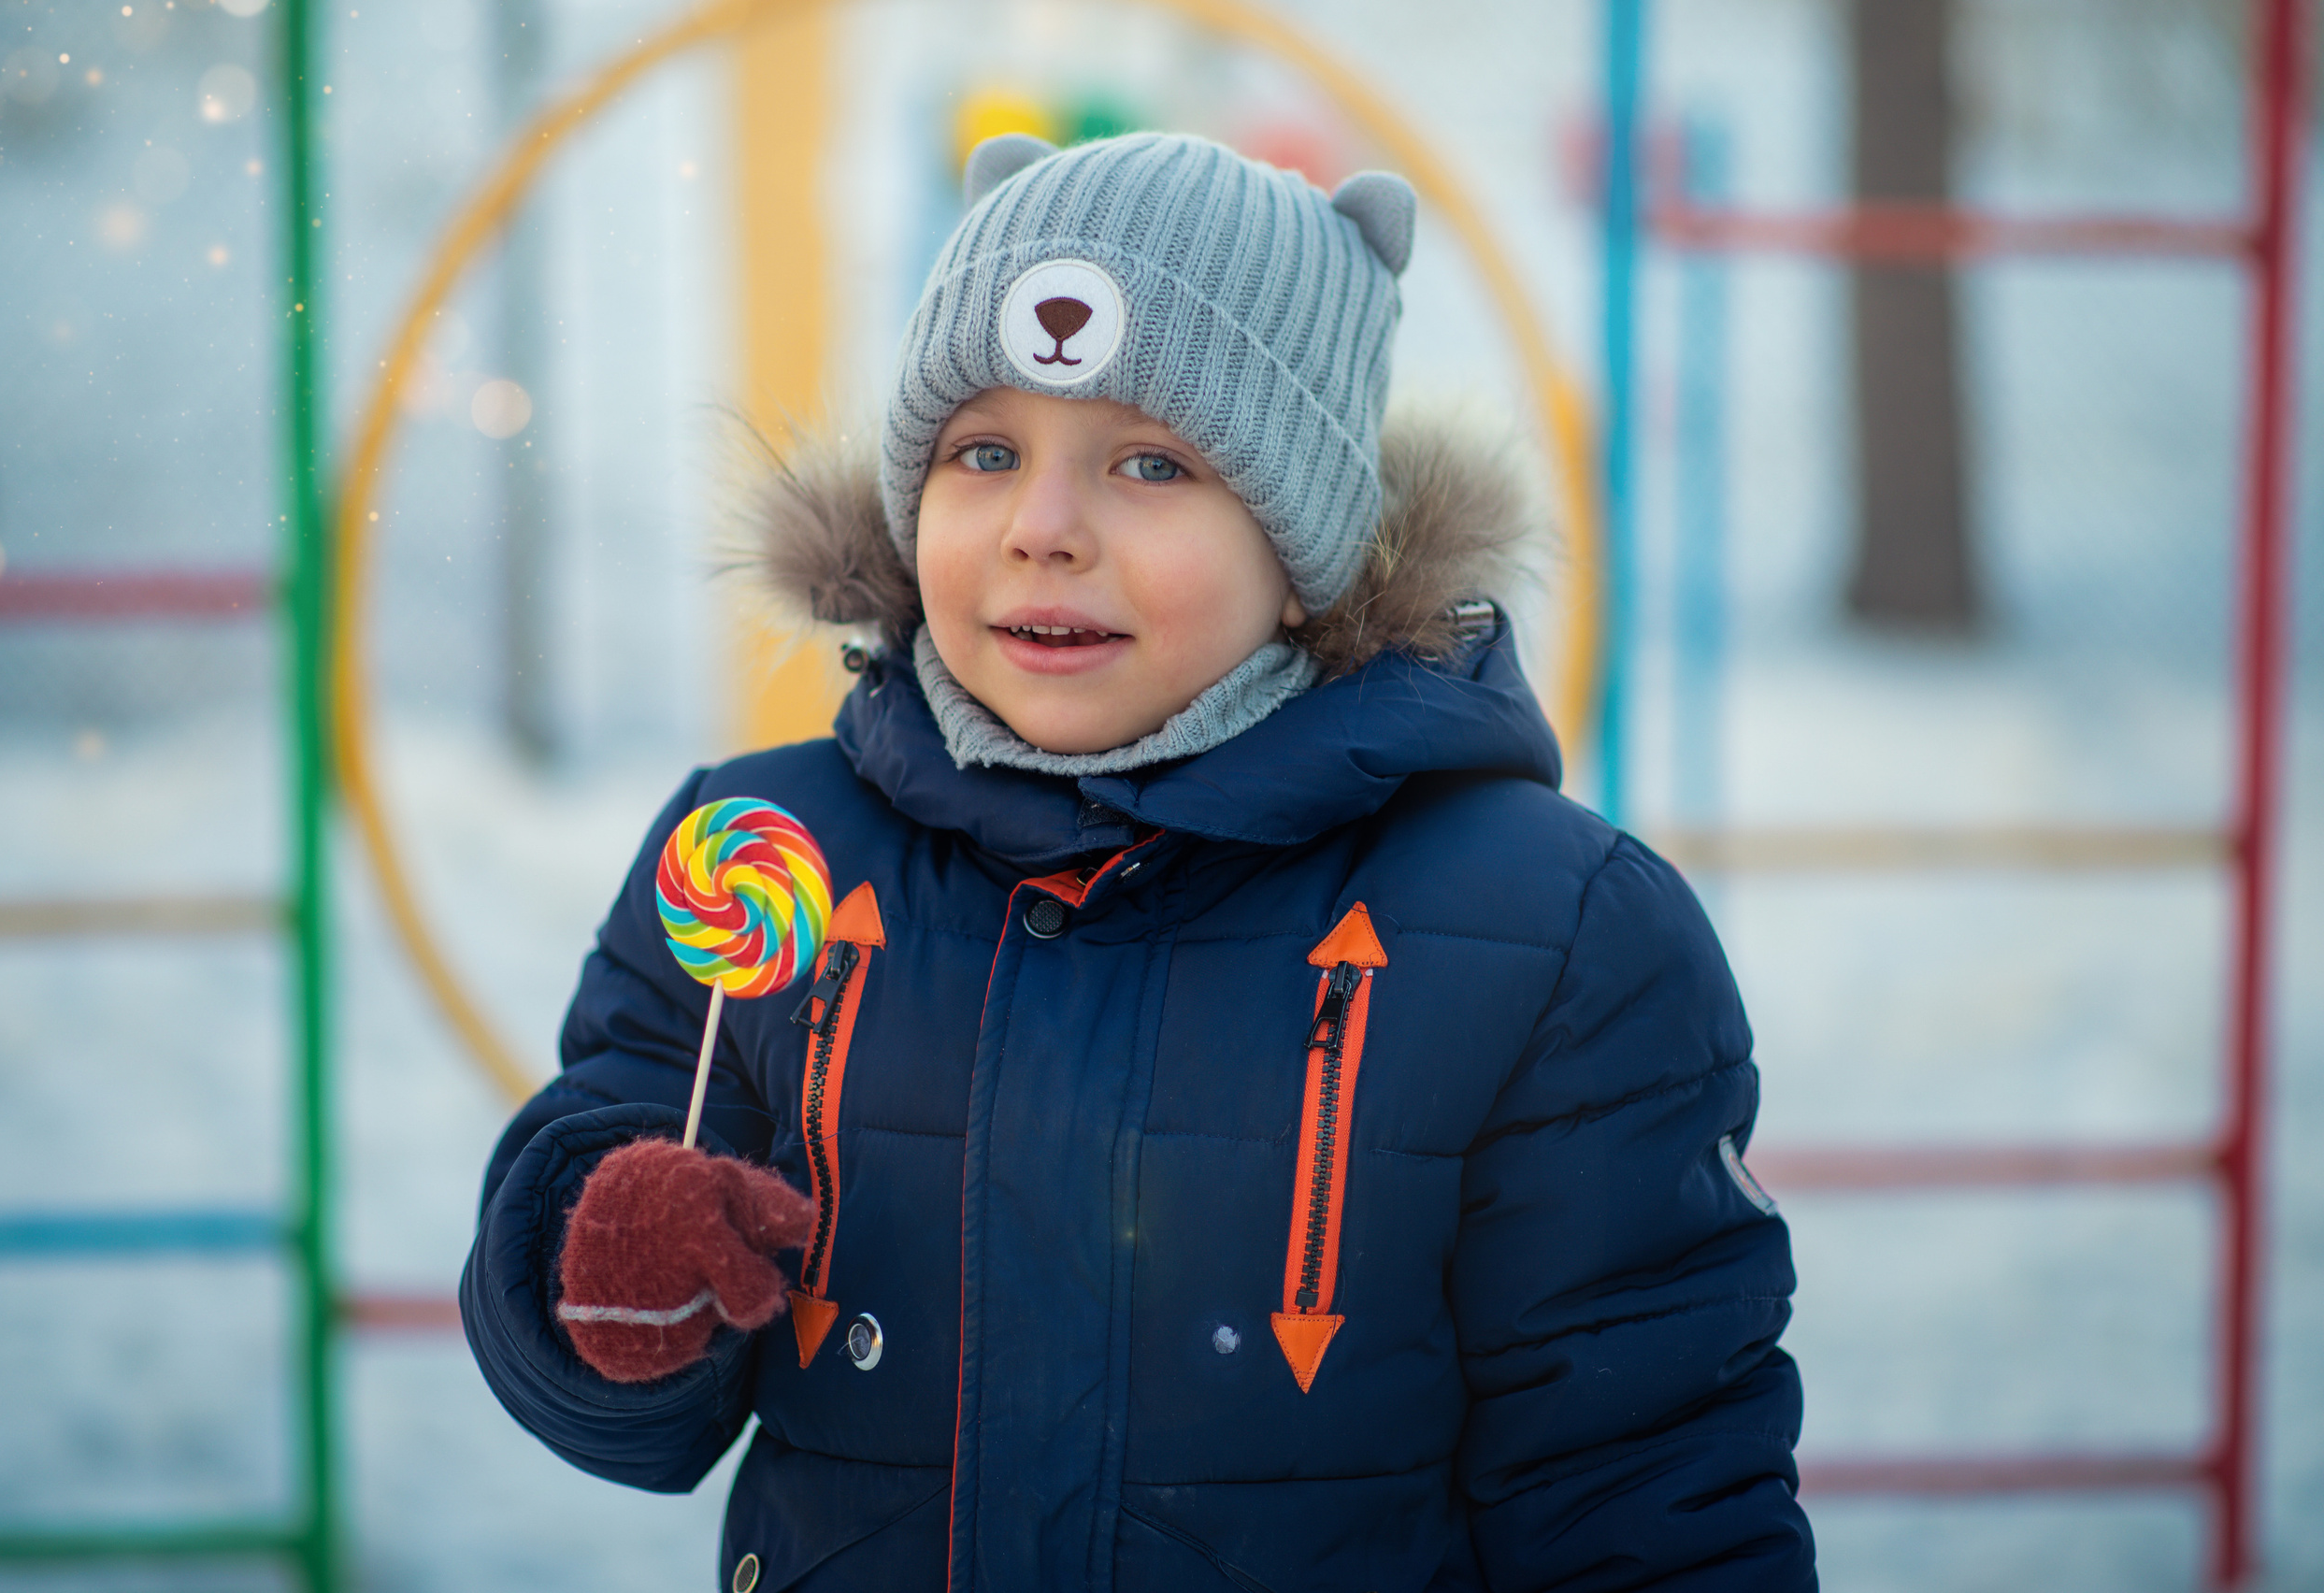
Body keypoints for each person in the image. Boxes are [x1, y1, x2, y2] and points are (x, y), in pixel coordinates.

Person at [463, 130, 1815, 1592]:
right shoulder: (768, 856)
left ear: (1308, 548)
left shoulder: (1553, 935)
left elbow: (1645, 1481)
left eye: (1152, 463)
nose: (1045, 530)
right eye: (985, 454)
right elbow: (626, 1402)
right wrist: (608, 1270)